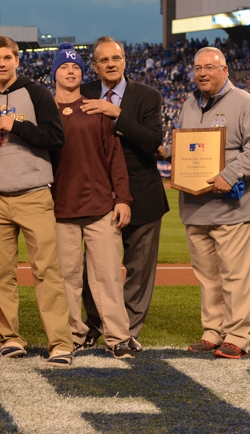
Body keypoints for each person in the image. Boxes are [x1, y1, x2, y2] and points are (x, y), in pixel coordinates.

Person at [0, 36, 73, 367]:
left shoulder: (36, 94)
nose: (1, 63)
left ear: (17, 61)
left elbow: (57, 138)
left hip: (34, 194)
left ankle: (60, 342)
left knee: (47, 271)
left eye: (7, 57)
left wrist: (18, 125)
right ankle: (10, 338)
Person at [167, 47, 250, 359]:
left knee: (235, 276)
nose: (203, 73)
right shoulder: (188, 103)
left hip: (233, 208)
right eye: (198, 68)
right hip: (196, 207)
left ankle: (236, 336)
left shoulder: (244, 103)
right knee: (208, 277)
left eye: (210, 67)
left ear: (225, 70)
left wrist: (230, 172)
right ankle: (213, 331)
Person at [79, 36, 170, 352]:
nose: (111, 64)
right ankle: (95, 324)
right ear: (95, 66)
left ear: (125, 61)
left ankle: (127, 330)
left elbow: (152, 141)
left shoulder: (147, 96)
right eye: (104, 60)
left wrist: (114, 112)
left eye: (115, 58)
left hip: (142, 193)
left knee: (139, 268)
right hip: (97, 193)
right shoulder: (83, 92)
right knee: (94, 266)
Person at [50, 43, 137, 359]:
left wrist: (122, 198)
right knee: (66, 279)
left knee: (108, 276)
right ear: (54, 73)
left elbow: (115, 158)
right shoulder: (46, 113)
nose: (70, 71)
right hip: (60, 208)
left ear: (82, 73)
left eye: (75, 67)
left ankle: (117, 337)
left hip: (100, 206)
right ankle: (73, 334)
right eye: (63, 66)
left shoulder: (97, 108)